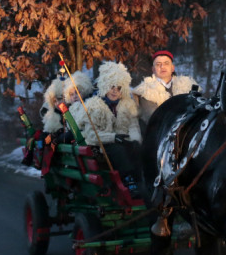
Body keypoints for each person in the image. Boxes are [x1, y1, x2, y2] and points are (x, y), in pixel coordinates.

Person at [71, 61, 143, 195]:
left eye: (119, 88)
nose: (115, 91)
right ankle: (127, 180)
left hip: (123, 141)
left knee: (136, 148)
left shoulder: (128, 105)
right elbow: (92, 135)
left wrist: (135, 140)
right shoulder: (94, 106)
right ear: (105, 86)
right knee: (117, 150)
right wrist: (114, 137)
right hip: (101, 145)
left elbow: (133, 126)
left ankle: (141, 179)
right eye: (112, 87)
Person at [132, 49, 199, 124]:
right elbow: (153, 118)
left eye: (166, 63)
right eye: (158, 64)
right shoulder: (146, 91)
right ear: (153, 69)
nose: (162, 66)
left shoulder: (187, 86)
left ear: (172, 68)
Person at [42, 71, 93, 137]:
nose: (57, 103)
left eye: (60, 98)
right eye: (71, 94)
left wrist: (64, 136)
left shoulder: (88, 107)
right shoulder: (55, 116)